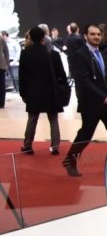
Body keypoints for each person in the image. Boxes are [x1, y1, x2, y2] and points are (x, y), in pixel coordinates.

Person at [62, 24, 107, 177]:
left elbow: (106, 78)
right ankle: (70, 160)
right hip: (91, 103)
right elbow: (84, 81)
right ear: (85, 36)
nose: (96, 37)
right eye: (92, 34)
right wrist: (104, 98)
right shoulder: (80, 54)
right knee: (85, 134)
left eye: (98, 34)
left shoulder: (103, 52)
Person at [18, 26, 65, 154]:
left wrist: (22, 93)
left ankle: (27, 145)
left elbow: (22, 76)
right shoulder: (53, 54)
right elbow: (61, 75)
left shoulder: (25, 53)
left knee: (32, 119)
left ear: (30, 38)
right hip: (51, 91)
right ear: (44, 37)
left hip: (33, 91)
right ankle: (55, 147)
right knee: (53, 119)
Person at [0, 30, 8, 108]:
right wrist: (6, 63)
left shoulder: (1, 37)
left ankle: (1, 102)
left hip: (1, 65)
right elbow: (6, 51)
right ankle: (1, 103)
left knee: (2, 85)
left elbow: (6, 51)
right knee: (2, 85)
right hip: (1, 65)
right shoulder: (1, 37)